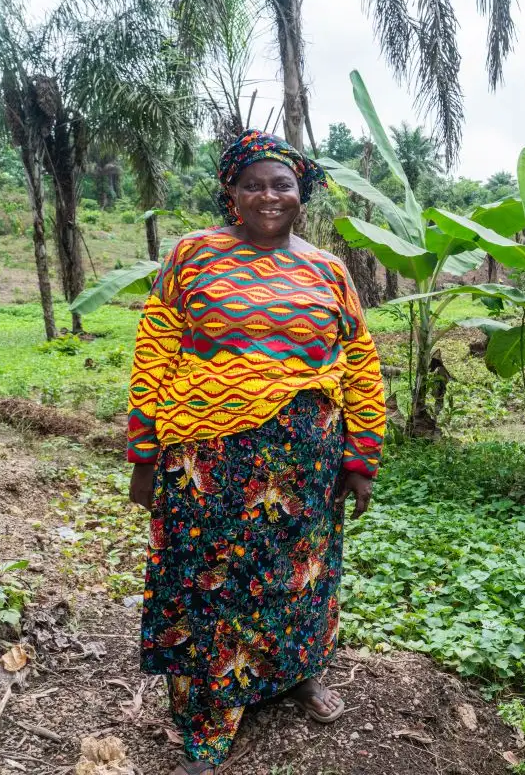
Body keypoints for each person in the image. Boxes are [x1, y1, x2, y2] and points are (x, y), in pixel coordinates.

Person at [126, 129, 386, 774]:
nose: (268, 196)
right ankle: (210, 723)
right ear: (230, 193)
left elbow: (359, 361)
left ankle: (294, 674)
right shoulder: (192, 255)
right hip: (206, 456)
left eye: (282, 185)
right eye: (253, 184)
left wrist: (361, 457)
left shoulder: (326, 268)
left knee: (301, 571)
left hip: (305, 453)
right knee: (213, 580)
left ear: (302, 194)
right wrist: (144, 450)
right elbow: (155, 349)